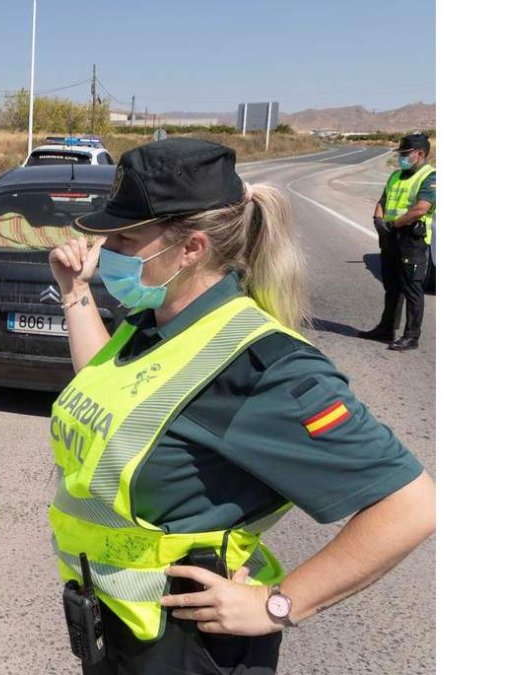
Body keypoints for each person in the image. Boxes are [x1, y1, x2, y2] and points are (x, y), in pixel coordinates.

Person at [46, 138, 436, 675]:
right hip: (121, 626)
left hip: (188, 647)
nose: (104, 250)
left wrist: (280, 604)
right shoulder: (153, 324)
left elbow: (411, 506)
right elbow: (103, 391)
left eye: (125, 237)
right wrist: (75, 294)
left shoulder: (260, 366)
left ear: (192, 249)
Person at [358, 132, 436, 351]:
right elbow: (383, 200)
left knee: (412, 289)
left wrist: (393, 225)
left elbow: (421, 208)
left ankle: (411, 336)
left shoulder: (431, 177)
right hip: (390, 238)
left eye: (405, 153)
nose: (401, 157)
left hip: (412, 240)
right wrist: (378, 219)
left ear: (420, 154)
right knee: (391, 287)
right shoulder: (395, 175)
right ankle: (386, 329)